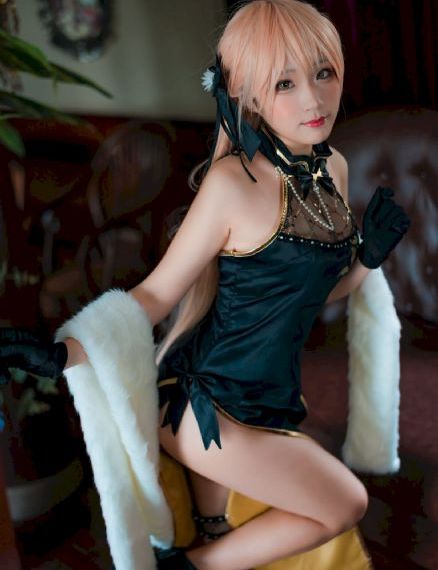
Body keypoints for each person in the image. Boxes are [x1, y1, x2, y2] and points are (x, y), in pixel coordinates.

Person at [0, 1, 410, 569]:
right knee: (346, 503)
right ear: (246, 93)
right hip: (206, 408)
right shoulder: (231, 184)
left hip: (272, 404)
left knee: (243, 535)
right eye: (284, 83)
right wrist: (61, 354)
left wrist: (366, 260)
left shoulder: (332, 167)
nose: (314, 100)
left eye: (324, 72)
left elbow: (313, 298)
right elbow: (154, 296)